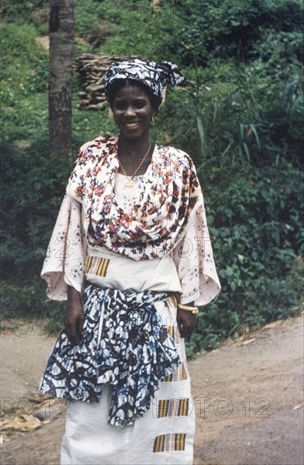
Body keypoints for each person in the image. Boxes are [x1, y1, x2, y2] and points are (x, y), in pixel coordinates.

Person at [39, 59, 221, 465]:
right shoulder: (93, 162)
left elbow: (192, 236)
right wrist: (74, 298)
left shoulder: (178, 167)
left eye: (139, 103)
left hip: (157, 308)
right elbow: (72, 232)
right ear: (111, 107)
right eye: (121, 104)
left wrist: (188, 302)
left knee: (157, 408)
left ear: (155, 106)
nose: (130, 113)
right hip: (100, 304)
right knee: (92, 412)